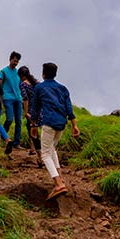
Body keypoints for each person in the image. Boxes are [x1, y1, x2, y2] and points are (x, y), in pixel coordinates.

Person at [30, 62, 79, 199]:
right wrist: (74, 125)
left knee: (45, 154)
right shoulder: (63, 88)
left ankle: (58, 184)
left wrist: (33, 126)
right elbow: (69, 108)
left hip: (49, 123)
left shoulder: (40, 88)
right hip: (61, 124)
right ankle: (61, 178)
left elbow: (35, 108)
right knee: (52, 149)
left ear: (43, 73)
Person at [0, 51, 23, 148]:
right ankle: (3, 138)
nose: (15, 63)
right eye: (14, 61)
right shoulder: (3, 72)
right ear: (10, 60)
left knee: (19, 121)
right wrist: (0, 100)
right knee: (9, 119)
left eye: (17, 61)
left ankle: (16, 142)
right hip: (7, 98)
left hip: (18, 98)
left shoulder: (18, 73)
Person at [18, 66, 41, 157]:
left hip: (31, 109)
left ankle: (40, 155)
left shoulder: (23, 84)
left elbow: (25, 99)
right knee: (38, 130)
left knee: (32, 131)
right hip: (40, 108)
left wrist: (26, 112)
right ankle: (33, 148)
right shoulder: (36, 83)